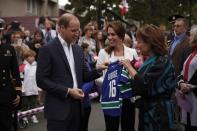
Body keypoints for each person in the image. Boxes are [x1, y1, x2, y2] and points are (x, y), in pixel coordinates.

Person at [36, 13, 106, 131]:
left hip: (77, 108)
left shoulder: (78, 50)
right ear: (61, 28)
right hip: (58, 111)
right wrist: (68, 91)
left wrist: (99, 70)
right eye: (73, 30)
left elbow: (85, 75)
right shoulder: (47, 49)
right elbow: (41, 80)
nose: (77, 33)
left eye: (78, 30)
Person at [120, 24, 177, 131]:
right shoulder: (153, 59)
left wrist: (128, 67)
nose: (137, 45)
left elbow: (144, 85)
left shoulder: (162, 61)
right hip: (148, 113)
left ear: (150, 42)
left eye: (140, 42)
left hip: (159, 117)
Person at [96, 21, 138, 131]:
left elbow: (136, 75)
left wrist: (126, 79)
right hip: (110, 99)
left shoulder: (132, 52)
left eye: (113, 34)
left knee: (128, 128)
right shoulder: (103, 53)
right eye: (108, 34)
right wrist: (112, 79)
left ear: (121, 36)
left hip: (128, 99)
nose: (109, 37)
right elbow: (98, 78)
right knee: (111, 128)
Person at [177, 25, 197, 131]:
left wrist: (190, 86)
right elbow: (182, 72)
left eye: (192, 36)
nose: (189, 38)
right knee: (187, 125)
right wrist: (180, 83)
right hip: (186, 97)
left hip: (195, 96)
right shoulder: (191, 53)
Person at [0, 33, 22, 130]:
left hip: (6, 94)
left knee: (6, 125)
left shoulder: (8, 49)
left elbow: (16, 73)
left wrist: (18, 92)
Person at [21, 50, 39, 124]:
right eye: (30, 56)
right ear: (26, 58)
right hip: (25, 89)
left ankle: (33, 115)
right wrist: (21, 89)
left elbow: (38, 78)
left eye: (33, 56)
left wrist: (38, 88)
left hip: (34, 88)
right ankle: (24, 116)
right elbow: (20, 79)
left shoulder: (36, 66)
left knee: (33, 103)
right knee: (24, 104)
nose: (32, 58)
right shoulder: (22, 66)